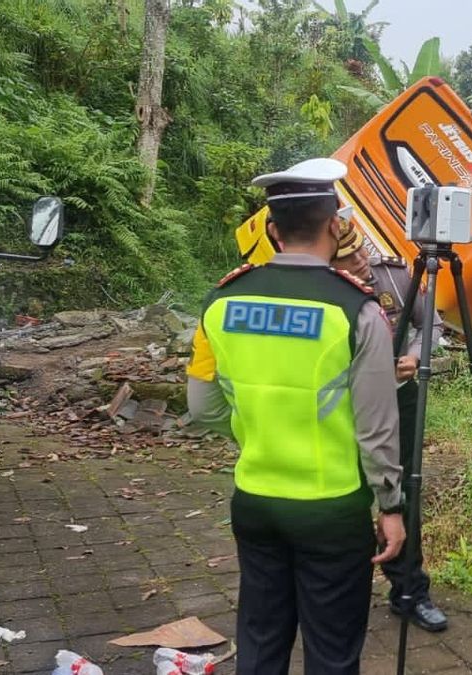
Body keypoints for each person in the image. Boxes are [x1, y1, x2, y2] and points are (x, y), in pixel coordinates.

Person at [186, 157, 405, 674]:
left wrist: (255, 427)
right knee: (331, 652)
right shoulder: (357, 310)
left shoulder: (222, 301)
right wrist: (390, 506)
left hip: (256, 501)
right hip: (332, 509)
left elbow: (202, 406)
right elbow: (377, 428)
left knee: (260, 641)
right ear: (335, 225)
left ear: (270, 228)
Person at [332, 228, 449, 632]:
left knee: (404, 493)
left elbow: (431, 323)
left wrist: (415, 358)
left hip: (399, 397)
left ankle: (409, 592)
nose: (360, 262)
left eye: (360, 251)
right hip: (341, 405)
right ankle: (341, 591)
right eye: (348, 258)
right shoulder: (322, 290)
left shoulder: (396, 276)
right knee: (346, 493)